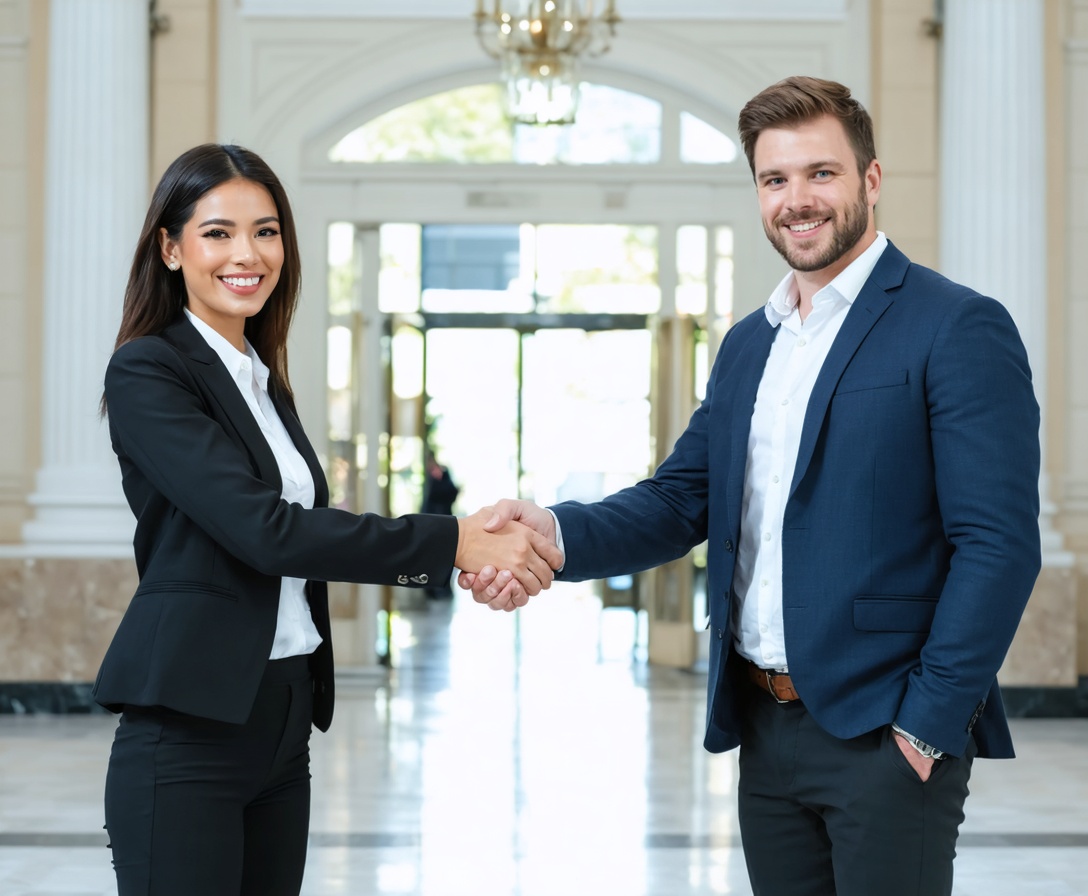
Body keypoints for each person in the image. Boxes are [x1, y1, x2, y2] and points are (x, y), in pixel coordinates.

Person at [462, 76, 1041, 895]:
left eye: (821, 174)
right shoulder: (750, 345)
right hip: (765, 727)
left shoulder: (955, 326)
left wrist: (927, 724)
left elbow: (1000, 543)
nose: (797, 200)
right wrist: (550, 528)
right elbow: (680, 499)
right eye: (775, 179)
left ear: (871, 181)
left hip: (887, 729)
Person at [93, 143, 562, 896]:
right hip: (190, 727)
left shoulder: (262, 379)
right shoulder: (149, 370)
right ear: (171, 248)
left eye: (267, 230)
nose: (247, 253)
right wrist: (451, 542)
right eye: (217, 232)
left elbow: (301, 529)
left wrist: (455, 552)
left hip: (281, 721)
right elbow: (265, 532)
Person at [420, 449, 460, 599]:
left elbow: (449, 492)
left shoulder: (442, 473)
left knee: (443, 556)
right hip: (430, 521)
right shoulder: (428, 476)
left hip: (442, 520)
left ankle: (442, 589)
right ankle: (432, 589)